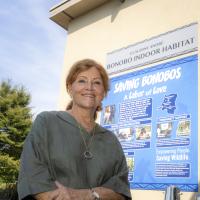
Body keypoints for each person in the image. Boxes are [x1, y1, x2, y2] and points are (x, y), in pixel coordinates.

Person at [17, 59, 132, 200]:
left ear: (103, 93)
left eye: (96, 83)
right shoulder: (47, 122)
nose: (89, 87)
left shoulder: (111, 141)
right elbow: (32, 175)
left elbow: (121, 191)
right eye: (82, 81)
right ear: (70, 88)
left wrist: (86, 195)